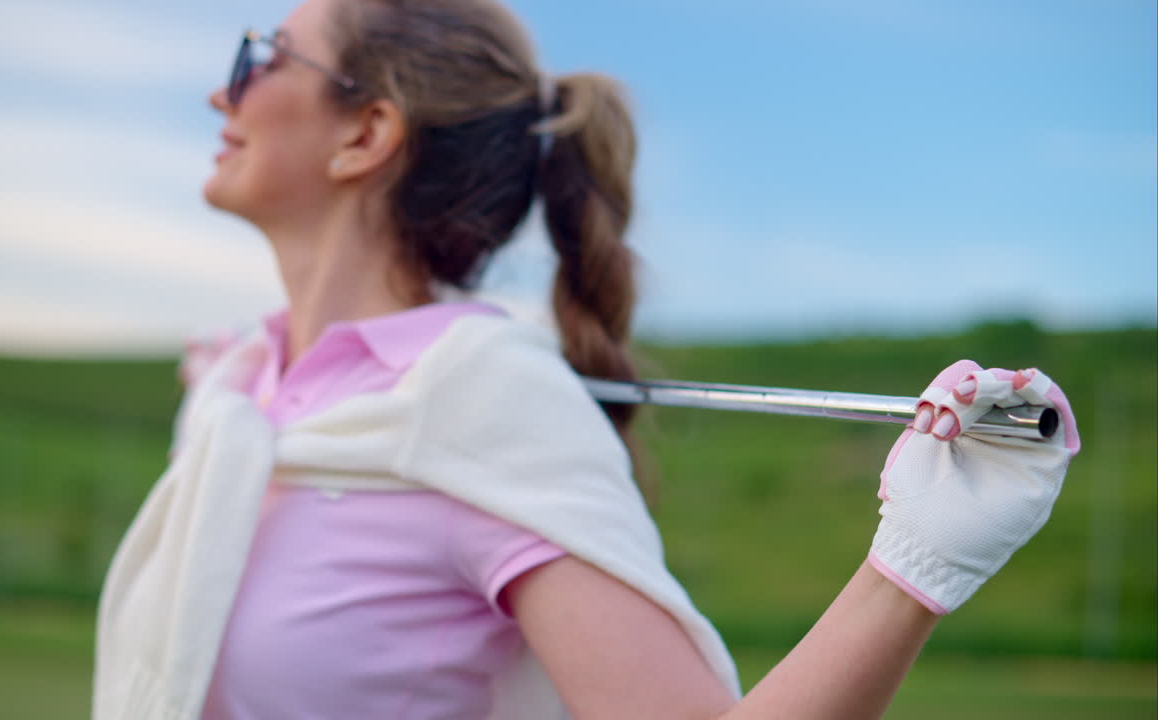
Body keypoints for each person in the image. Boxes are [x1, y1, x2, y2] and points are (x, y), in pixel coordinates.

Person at [92, 1, 1081, 718]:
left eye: (263, 55)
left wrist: (914, 563)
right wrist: (251, 413)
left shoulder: (481, 399)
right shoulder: (250, 390)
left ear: (366, 132)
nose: (223, 86)